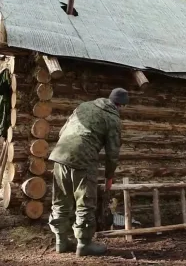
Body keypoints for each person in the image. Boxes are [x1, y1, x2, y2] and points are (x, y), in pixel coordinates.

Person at [47, 88, 128, 256]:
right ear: (121, 106)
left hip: (60, 154)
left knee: (60, 200)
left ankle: (61, 242)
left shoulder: (84, 106)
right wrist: (109, 177)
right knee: (85, 202)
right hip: (83, 159)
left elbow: (63, 130)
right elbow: (112, 153)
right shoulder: (113, 118)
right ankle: (84, 245)